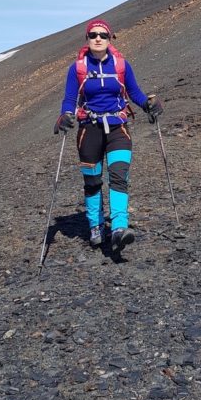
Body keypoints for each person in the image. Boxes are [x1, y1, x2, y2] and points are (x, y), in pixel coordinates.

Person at [54, 19, 162, 254]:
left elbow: (133, 91)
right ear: (87, 39)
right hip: (88, 130)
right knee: (92, 182)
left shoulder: (121, 65)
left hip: (117, 128)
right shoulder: (78, 68)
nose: (98, 38)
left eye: (103, 35)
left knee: (119, 176)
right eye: (93, 35)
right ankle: (96, 226)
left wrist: (148, 105)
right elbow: (70, 99)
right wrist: (65, 116)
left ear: (110, 38)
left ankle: (119, 228)